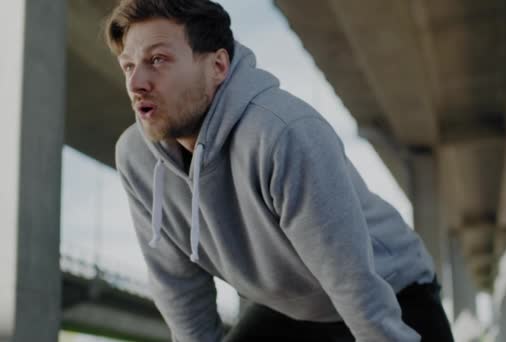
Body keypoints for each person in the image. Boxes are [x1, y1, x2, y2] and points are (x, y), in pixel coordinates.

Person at [105, 1, 454, 341]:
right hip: (294, 310)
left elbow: (352, 282)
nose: (136, 83)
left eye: (157, 60)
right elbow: (179, 287)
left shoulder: (283, 133)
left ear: (218, 66)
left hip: (389, 291)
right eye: (128, 65)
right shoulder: (136, 158)